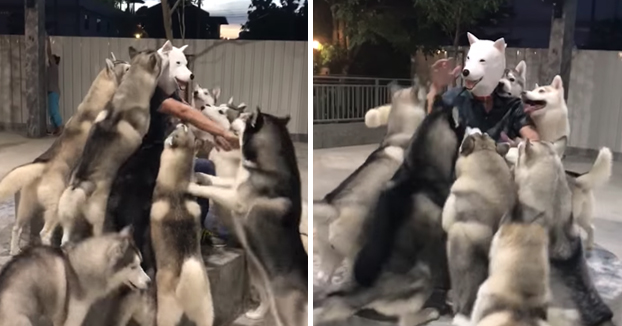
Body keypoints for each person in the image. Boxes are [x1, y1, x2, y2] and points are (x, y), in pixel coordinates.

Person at [426, 58, 540, 143]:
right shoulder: (455, 97)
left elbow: (533, 140)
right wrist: (435, 87)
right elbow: (430, 124)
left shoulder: (513, 105)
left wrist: (518, 146)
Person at [46, 35, 63, 136]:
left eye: (52, 58)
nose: (50, 58)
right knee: (51, 111)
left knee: (53, 110)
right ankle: (56, 128)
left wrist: (47, 41)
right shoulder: (51, 68)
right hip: (52, 91)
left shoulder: (54, 66)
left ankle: (60, 127)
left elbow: (48, 53)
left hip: (54, 91)